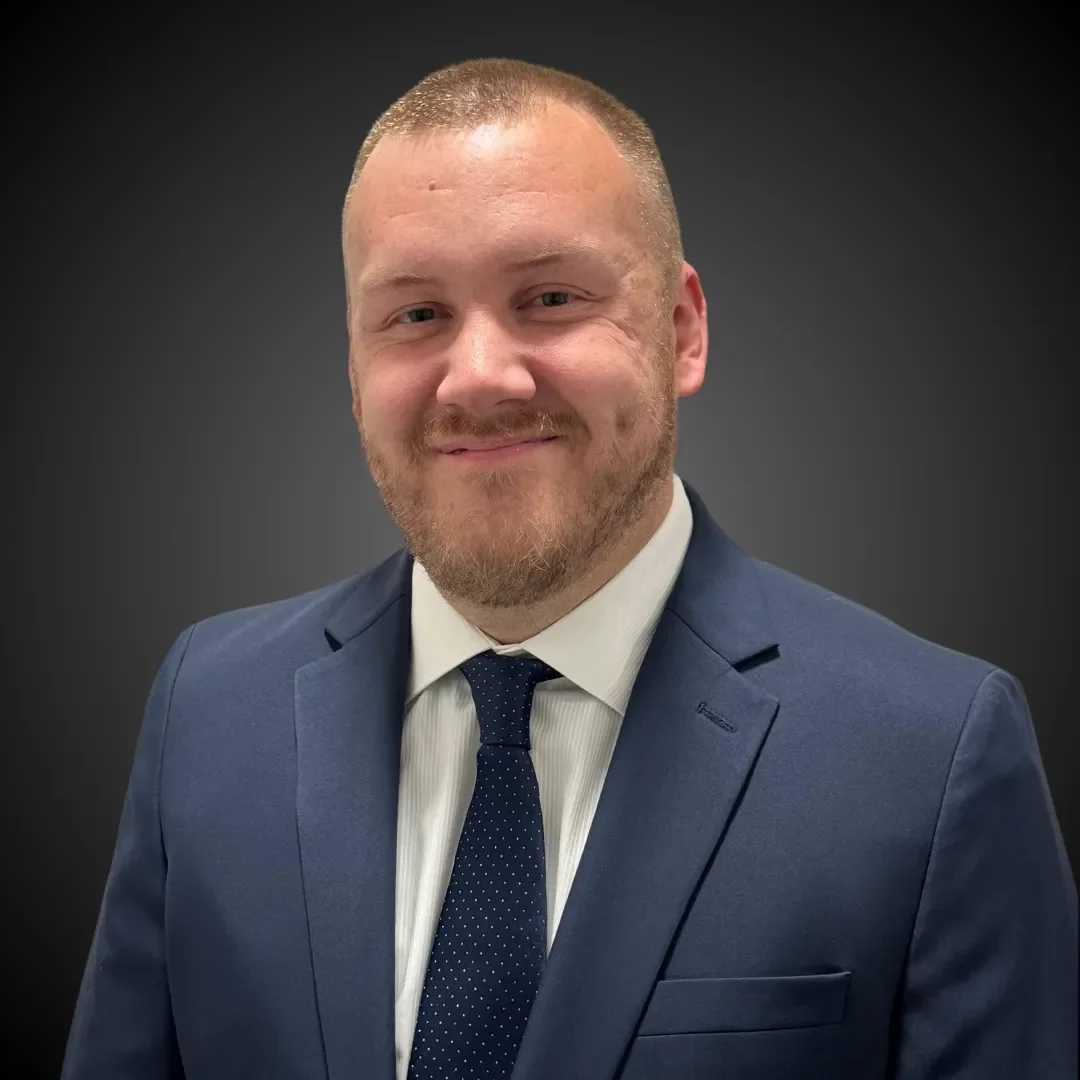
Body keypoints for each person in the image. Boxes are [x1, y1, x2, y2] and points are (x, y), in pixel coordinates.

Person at [62, 57, 1076, 1080]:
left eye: (549, 296)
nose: (482, 376)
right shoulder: (207, 709)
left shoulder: (934, 755)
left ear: (681, 329)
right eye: (415, 315)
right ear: (354, 371)